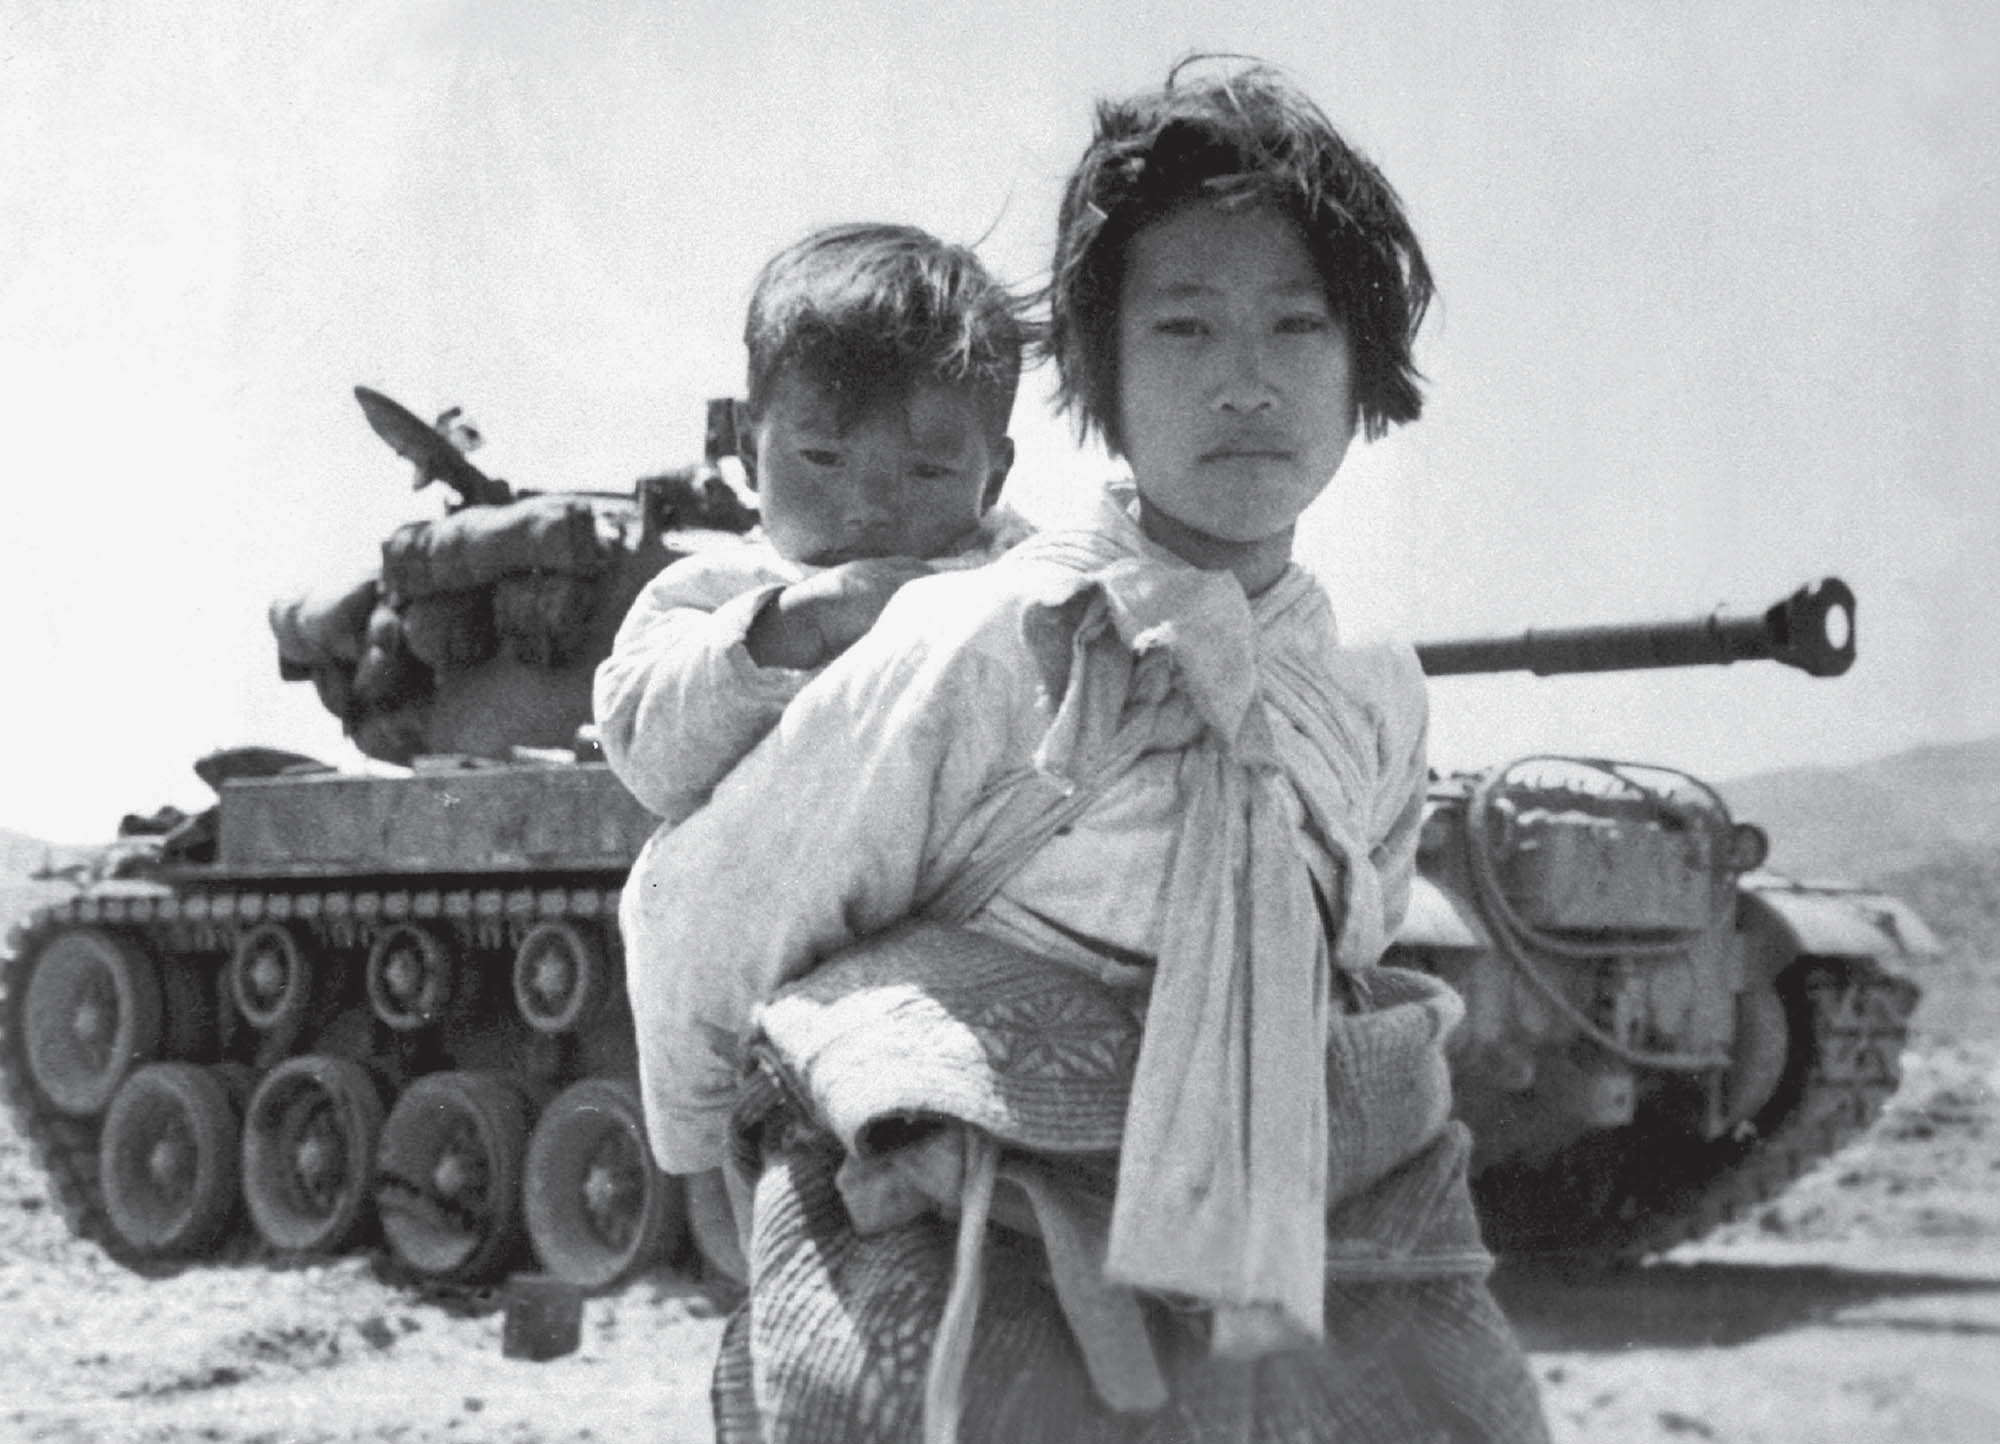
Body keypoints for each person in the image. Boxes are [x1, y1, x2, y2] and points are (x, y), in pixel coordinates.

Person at [629, 61, 1550, 1444]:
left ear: (1363, 370)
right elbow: (715, 902)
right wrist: (707, 1153)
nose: (1245, 382)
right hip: (981, 1220)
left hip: (1295, 1215)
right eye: (1183, 327)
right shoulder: (977, 639)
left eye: (1297, 325)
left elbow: (1353, 930)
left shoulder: (1372, 695)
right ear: (1099, 375)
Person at [593, 221, 1030, 1281]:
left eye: (928, 467)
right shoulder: (715, 592)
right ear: (750, 445)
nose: (869, 507)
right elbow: (645, 747)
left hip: (962, 970)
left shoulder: (1021, 578)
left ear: (994, 472)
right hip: (766, 988)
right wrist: (791, 630)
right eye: (822, 457)